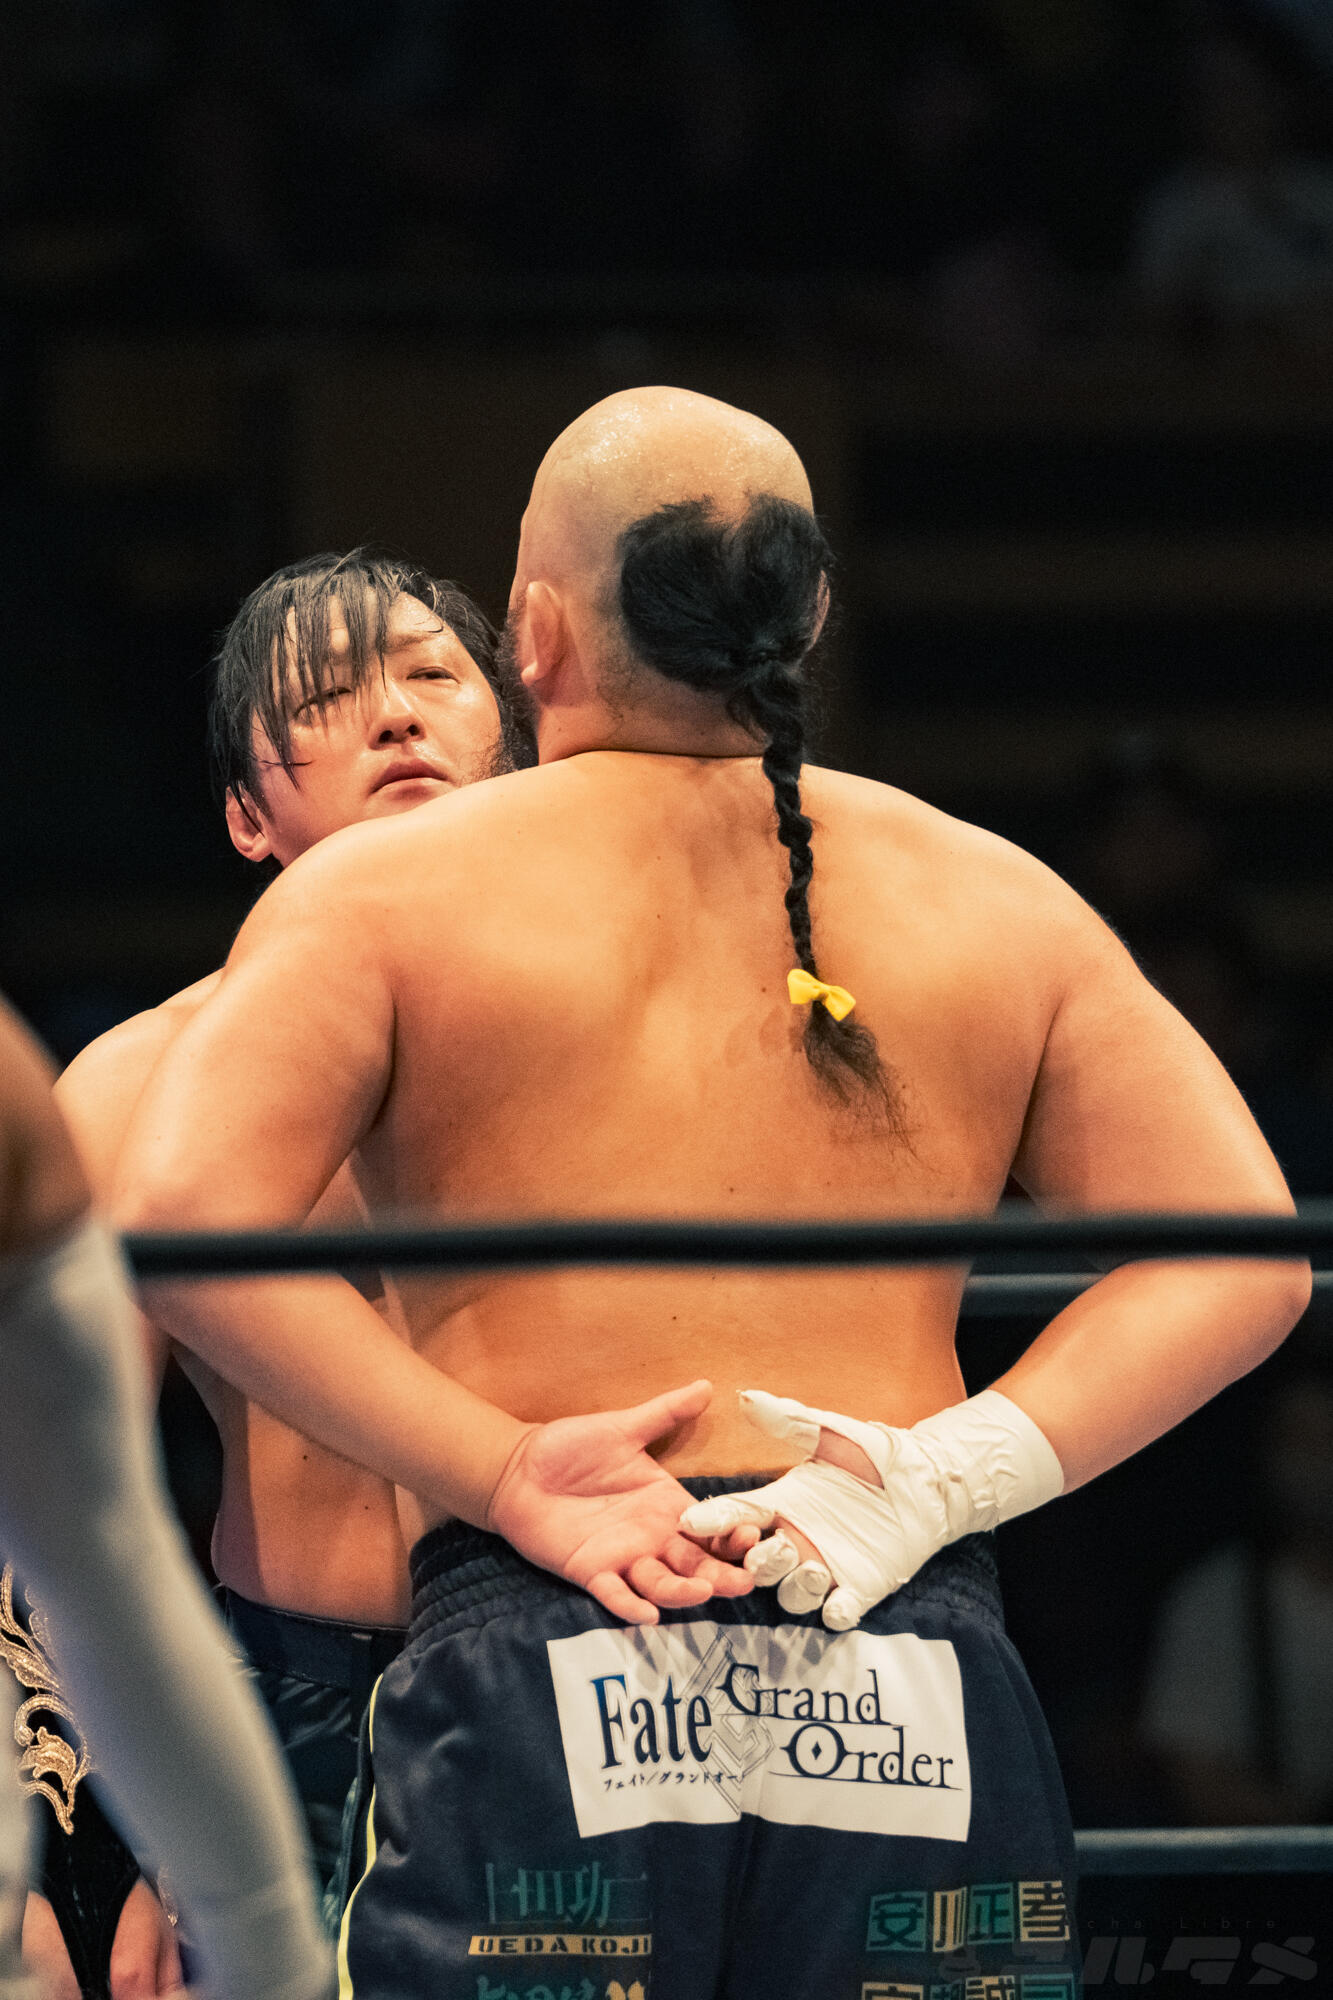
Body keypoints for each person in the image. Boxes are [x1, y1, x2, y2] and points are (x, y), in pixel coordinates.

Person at [114, 387, 1308, 2000]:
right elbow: (1247, 1258)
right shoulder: (993, 896)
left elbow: (181, 1227)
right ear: (806, 617)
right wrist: (941, 1476)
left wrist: (504, 1469)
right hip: (897, 1624)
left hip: (568, 1619)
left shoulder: (383, 895)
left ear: (534, 635)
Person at [16, 549, 527, 1999]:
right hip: (282, 1702)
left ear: (519, 745)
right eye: (327, 695)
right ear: (249, 812)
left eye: (432, 676)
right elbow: (52, 1502)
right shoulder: (145, 1085)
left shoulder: (631, 1047)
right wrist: (148, 1836)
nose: (397, 716)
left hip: (578, 1659)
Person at [0, 995, 334, 2000]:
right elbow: (73, 1541)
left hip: (535, 1666)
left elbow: (94, 1544)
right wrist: (65, 1853)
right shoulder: (132, 1086)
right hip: (285, 1693)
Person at [1141, 1346, 1333, 1826]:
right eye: (1300, 1442)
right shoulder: (1214, 1598)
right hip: (1277, 1863)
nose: (1319, 1462)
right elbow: (1195, 1771)